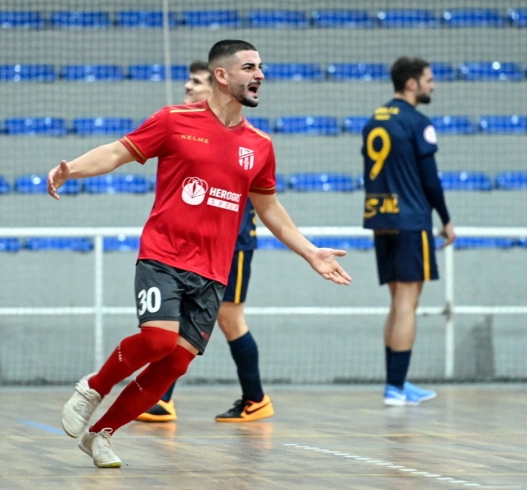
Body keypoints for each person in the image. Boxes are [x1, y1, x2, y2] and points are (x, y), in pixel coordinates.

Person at [48, 39, 351, 469]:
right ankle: (92, 388)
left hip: (213, 270)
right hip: (164, 255)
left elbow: (268, 206)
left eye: (261, 67)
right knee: (157, 337)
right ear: (222, 76)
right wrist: (70, 169)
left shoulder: (260, 144)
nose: (260, 74)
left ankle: (101, 434)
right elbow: (118, 151)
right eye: (250, 67)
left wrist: (309, 252)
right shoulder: (174, 120)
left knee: (174, 363)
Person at [136, 60, 273, 424]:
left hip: (234, 243)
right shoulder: (186, 125)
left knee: (230, 318)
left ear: (215, 82)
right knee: (177, 318)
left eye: (195, 82)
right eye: (187, 83)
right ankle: (162, 397)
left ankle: (255, 398)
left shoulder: (247, 139)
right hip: (192, 246)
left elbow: (266, 200)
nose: (188, 88)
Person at [361, 56, 456, 407]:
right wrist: (445, 218)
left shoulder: (374, 119)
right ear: (412, 83)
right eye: (429, 79)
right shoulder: (418, 122)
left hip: (380, 218)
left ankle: (396, 383)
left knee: (397, 301)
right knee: (407, 302)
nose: (433, 85)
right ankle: (395, 389)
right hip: (410, 219)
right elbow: (431, 181)